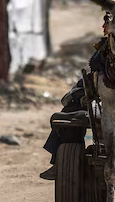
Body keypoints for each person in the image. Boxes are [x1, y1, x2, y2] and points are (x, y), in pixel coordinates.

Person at [40, 12, 111, 180]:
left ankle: (62, 162)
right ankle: (62, 161)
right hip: (97, 92)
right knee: (67, 116)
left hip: (112, 97)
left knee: (72, 114)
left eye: (107, 23)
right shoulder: (106, 45)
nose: (103, 27)